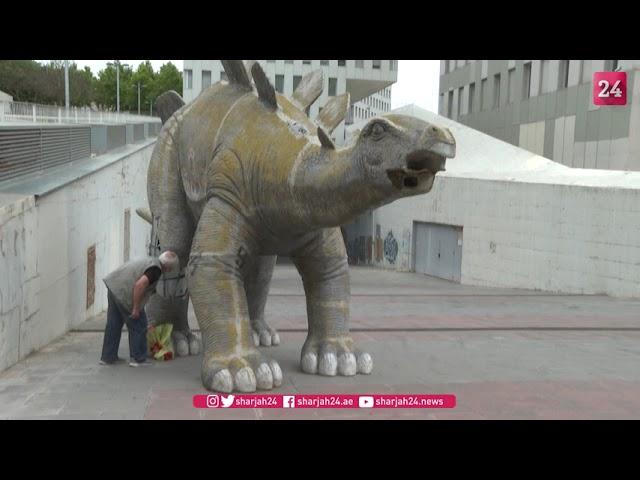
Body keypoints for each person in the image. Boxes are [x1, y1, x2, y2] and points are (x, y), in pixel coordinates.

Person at [99, 251, 179, 367]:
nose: (170, 271)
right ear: (168, 267)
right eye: (171, 269)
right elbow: (139, 285)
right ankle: (138, 358)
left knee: (114, 324)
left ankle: (107, 357)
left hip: (114, 286)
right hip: (124, 292)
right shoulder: (155, 270)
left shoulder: (149, 260)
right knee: (139, 324)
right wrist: (136, 308)